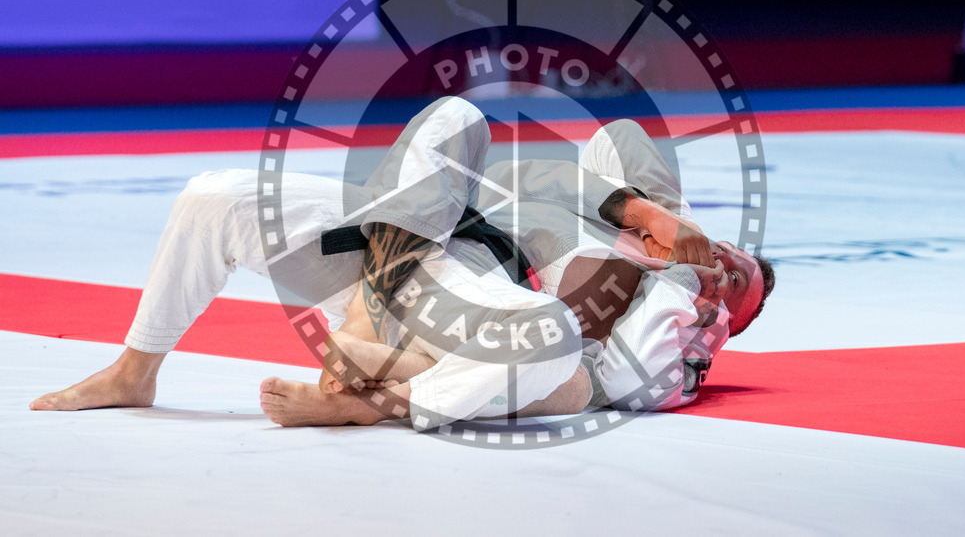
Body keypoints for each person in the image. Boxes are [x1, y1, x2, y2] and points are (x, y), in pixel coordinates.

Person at [32, 97, 774, 430]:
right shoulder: (615, 208)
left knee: (550, 339)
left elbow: (605, 383)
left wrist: (687, 287)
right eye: (736, 259)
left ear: (723, 324)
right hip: (393, 234)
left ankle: (374, 395)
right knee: (216, 195)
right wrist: (649, 214)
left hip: (465, 290)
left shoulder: (668, 316)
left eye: (738, 288)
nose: (726, 269)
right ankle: (136, 370)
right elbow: (598, 145)